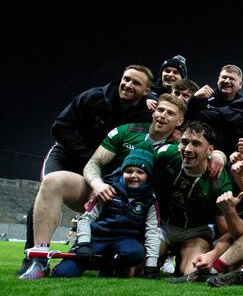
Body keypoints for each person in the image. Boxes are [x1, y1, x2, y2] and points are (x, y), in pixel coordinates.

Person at [21, 94, 187, 280]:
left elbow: (200, 161)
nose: (162, 115)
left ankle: (105, 259)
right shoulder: (126, 131)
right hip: (103, 197)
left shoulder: (177, 148)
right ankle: (39, 259)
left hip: (136, 214)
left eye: (170, 113)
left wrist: (219, 154)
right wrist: (97, 184)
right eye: (160, 110)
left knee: (131, 269)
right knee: (53, 181)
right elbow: (93, 164)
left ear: (179, 121)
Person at [18, 65, 154, 275]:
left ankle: (104, 256)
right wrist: (90, 161)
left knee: (109, 201)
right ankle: (34, 257)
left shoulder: (144, 114)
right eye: (126, 79)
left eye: (136, 83)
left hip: (100, 166)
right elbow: (60, 126)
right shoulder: (94, 97)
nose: (127, 85)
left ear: (146, 90)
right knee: (47, 189)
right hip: (67, 156)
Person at [51, 149, 160, 279]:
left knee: (135, 253)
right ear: (122, 172)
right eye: (128, 171)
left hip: (125, 241)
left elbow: (152, 232)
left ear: (148, 175)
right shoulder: (107, 190)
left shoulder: (150, 200)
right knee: (63, 274)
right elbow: (86, 219)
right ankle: (83, 262)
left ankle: (108, 266)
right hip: (96, 238)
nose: (133, 176)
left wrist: (150, 268)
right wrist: (84, 244)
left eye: (140, 172)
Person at [153, 121, 234, 282]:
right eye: (184, 142)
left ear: (210, 150)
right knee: (135, 266)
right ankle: (161, 258)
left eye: (196, 144)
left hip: (195, 231)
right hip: (162, 225)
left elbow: (227, 232)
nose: (188, 149)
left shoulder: (219, 181)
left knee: (191, 272)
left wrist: (212, 255)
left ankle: (179, 260)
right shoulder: (165, 155)